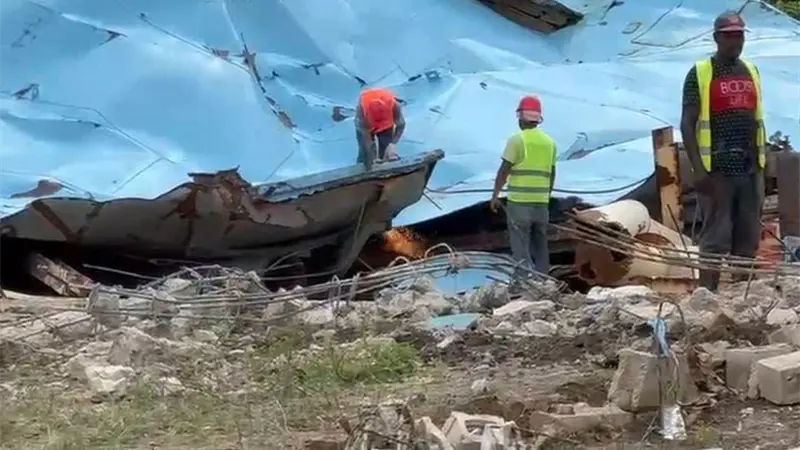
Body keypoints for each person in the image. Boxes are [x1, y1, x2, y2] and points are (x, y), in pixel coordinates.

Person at [680, 11, 767, 292]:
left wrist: (761, 164)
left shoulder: (750, 70)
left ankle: (743, 295)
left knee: (747, 236)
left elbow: (756, 119)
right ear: (717, 38)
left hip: (749, 167)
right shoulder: (701, 73)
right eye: (729, 36)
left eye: (739, 35)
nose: (735, 42)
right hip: (717, 168)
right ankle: (707, 295)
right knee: (716, 237)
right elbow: (687, 123)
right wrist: (698, 169)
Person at [490, 95, 557, 276]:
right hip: (541, 205)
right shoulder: (550, 143)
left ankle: (523, 282)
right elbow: (552, 174)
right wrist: (545, 196)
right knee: (541, 246)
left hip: (519, 204)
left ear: (520, 116)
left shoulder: (517, 140)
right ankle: (544, 280)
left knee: (520, 247)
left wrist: (495, 195)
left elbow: (504, 170)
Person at [355, 88, 406, 170]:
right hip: (366, 124)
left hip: (386, 125)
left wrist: (392, 144)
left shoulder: (394, 106)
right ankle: (362, 169)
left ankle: (386, 165)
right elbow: (367, 140)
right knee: (365, 153)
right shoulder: (361, 113)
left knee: (386, 146)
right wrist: (371, 159)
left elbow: (401, 125)